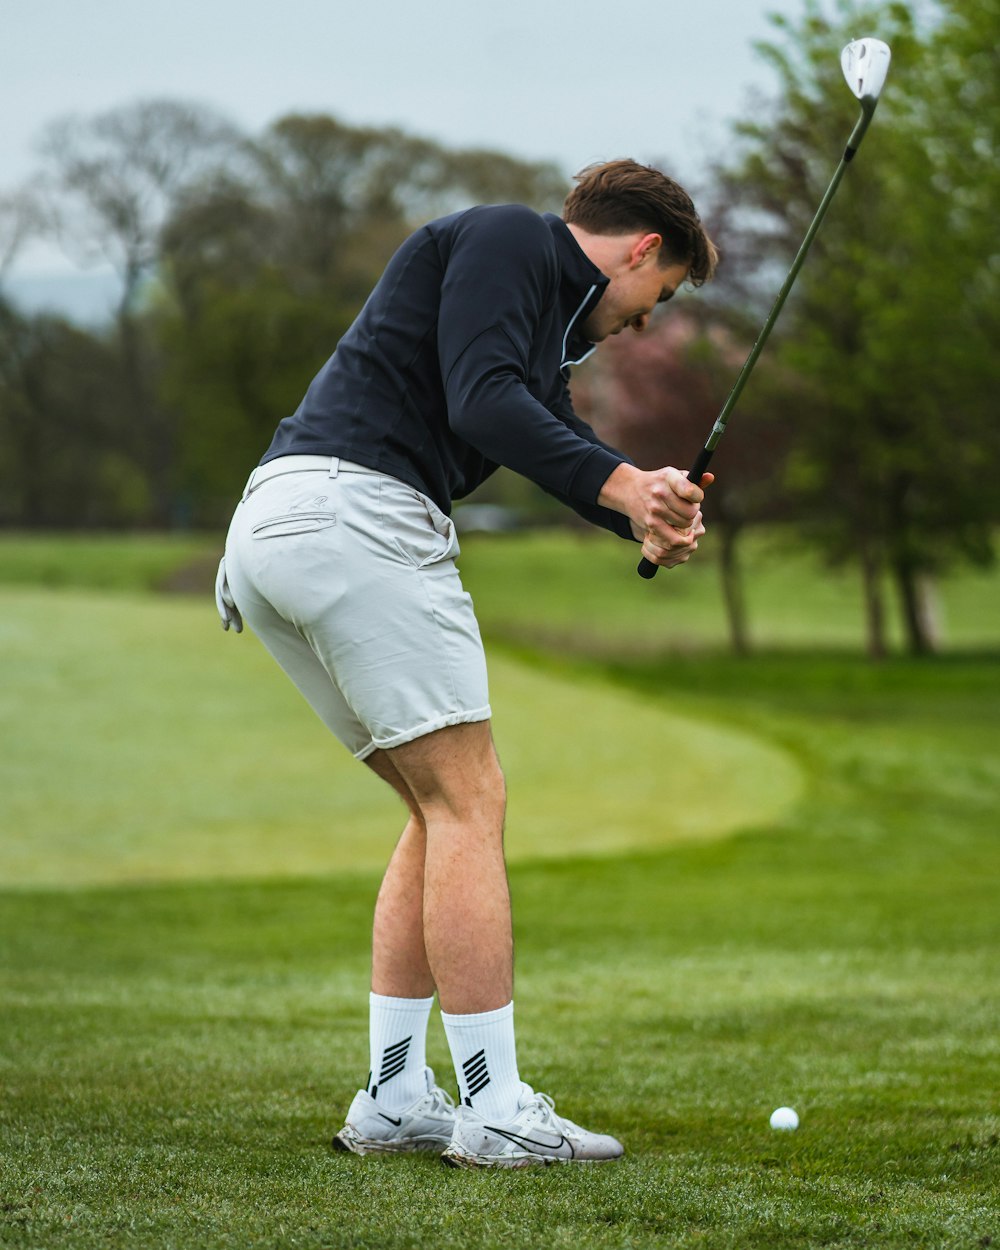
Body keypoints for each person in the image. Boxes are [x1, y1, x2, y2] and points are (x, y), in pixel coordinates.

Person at [216, 158, 717, 1168]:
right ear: (640, 249)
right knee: (471, 800)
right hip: (356, 515)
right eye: (654, 300)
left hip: (282, 531)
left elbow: (540, 425)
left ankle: (398, 1094)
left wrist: (638, 510)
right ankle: (494, 1108)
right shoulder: (508, 238)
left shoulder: (530, 314)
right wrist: (626, 486)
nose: (644, 323)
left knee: (434, 807)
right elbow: (484, 402)